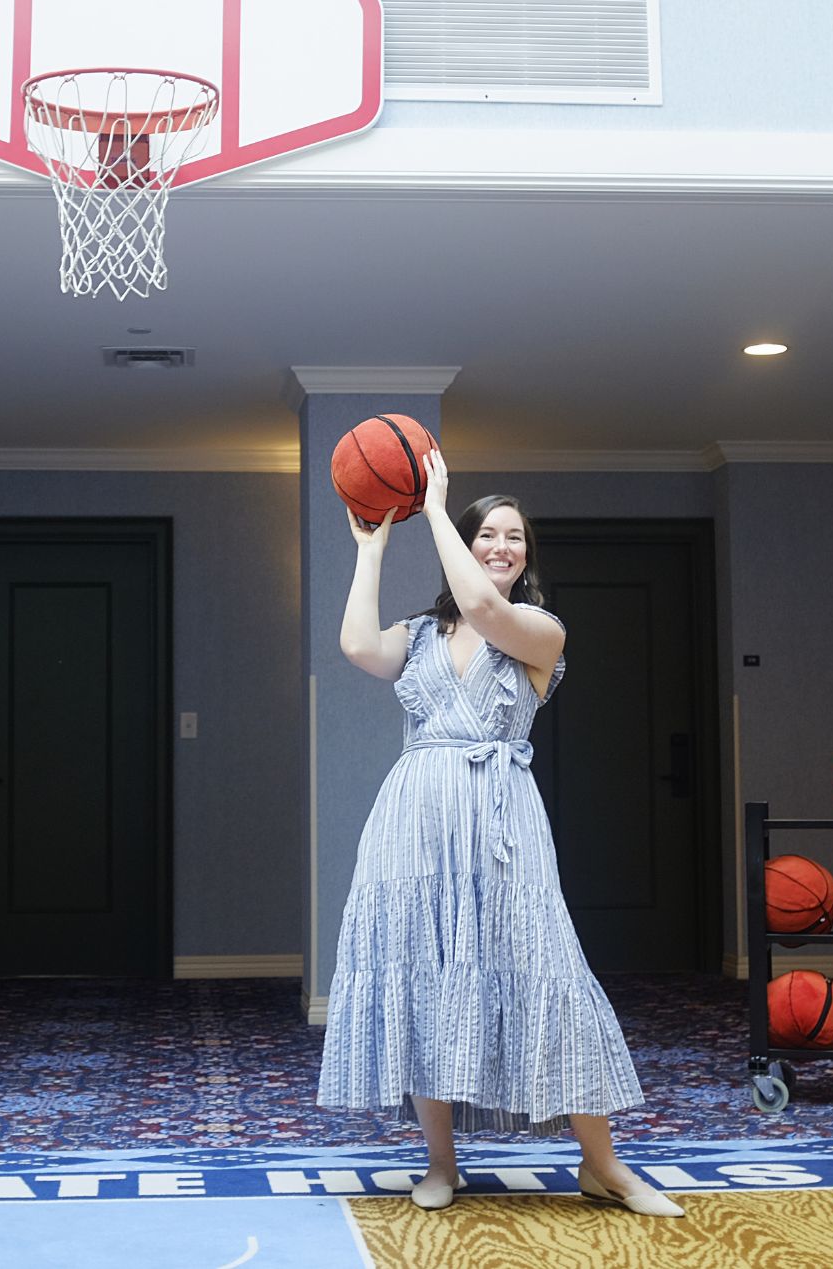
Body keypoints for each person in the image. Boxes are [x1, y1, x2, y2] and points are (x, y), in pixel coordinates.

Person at [315, 447, 682, 1218]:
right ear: (469, 546)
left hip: (501, 822)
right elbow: (354, 644)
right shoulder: (417, 635)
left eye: (514, 537)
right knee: (426, 977)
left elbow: (483, 609)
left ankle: (603, 1163)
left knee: (550, 975)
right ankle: (441, 1163)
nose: (502, 546)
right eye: (489, 535)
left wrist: (439, 509)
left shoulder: (538, 629)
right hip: (414, 824)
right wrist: (372, 549)